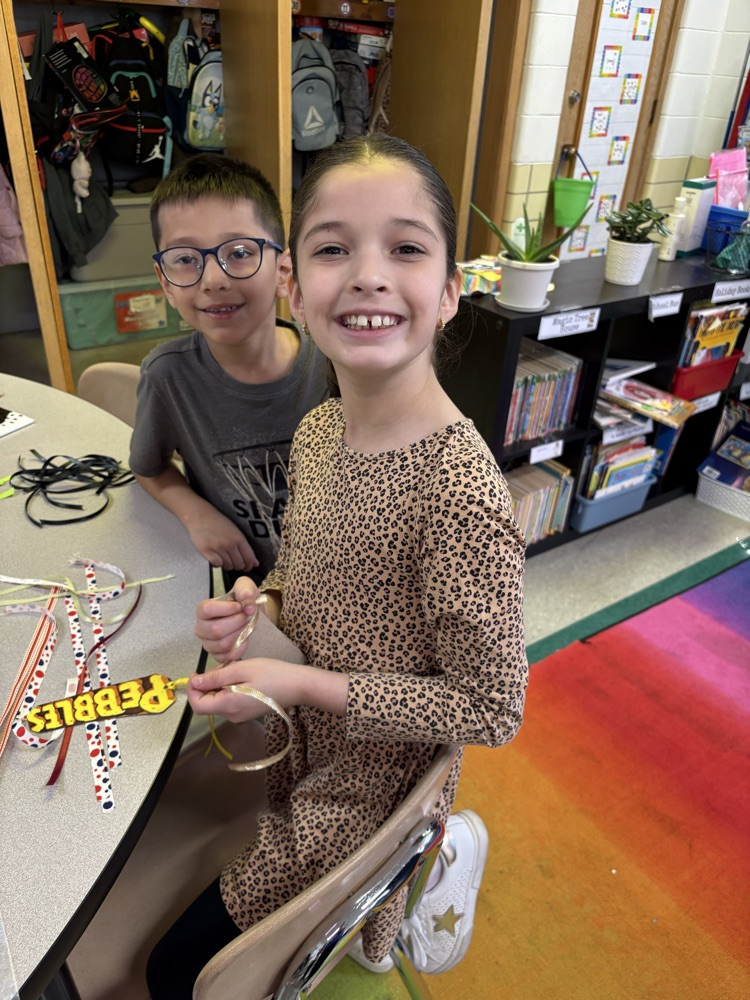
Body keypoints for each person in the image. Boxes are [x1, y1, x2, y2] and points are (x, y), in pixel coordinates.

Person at [146, 135, 527, 998]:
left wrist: (313, 686)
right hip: (295, 733)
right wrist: (257, 603)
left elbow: (493, 708)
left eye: (404, 247)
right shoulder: (319, 430)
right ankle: (383, 911)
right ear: (293, 287)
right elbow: (306, 570)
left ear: (451, 292)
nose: (366, 274)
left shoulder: (458, 492)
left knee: (177, 973)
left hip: (370, 778)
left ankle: (421, 854)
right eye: (331, 248)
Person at [129, 153, 329, 584]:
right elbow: (149, 468)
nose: (213, 278)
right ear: (164, 281)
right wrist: (196, 514)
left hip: (341, 587)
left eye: (239, 252)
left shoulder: (336, 364)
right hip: (241, 589)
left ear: (283, 270)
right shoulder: (167, 378)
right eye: (185, 259)